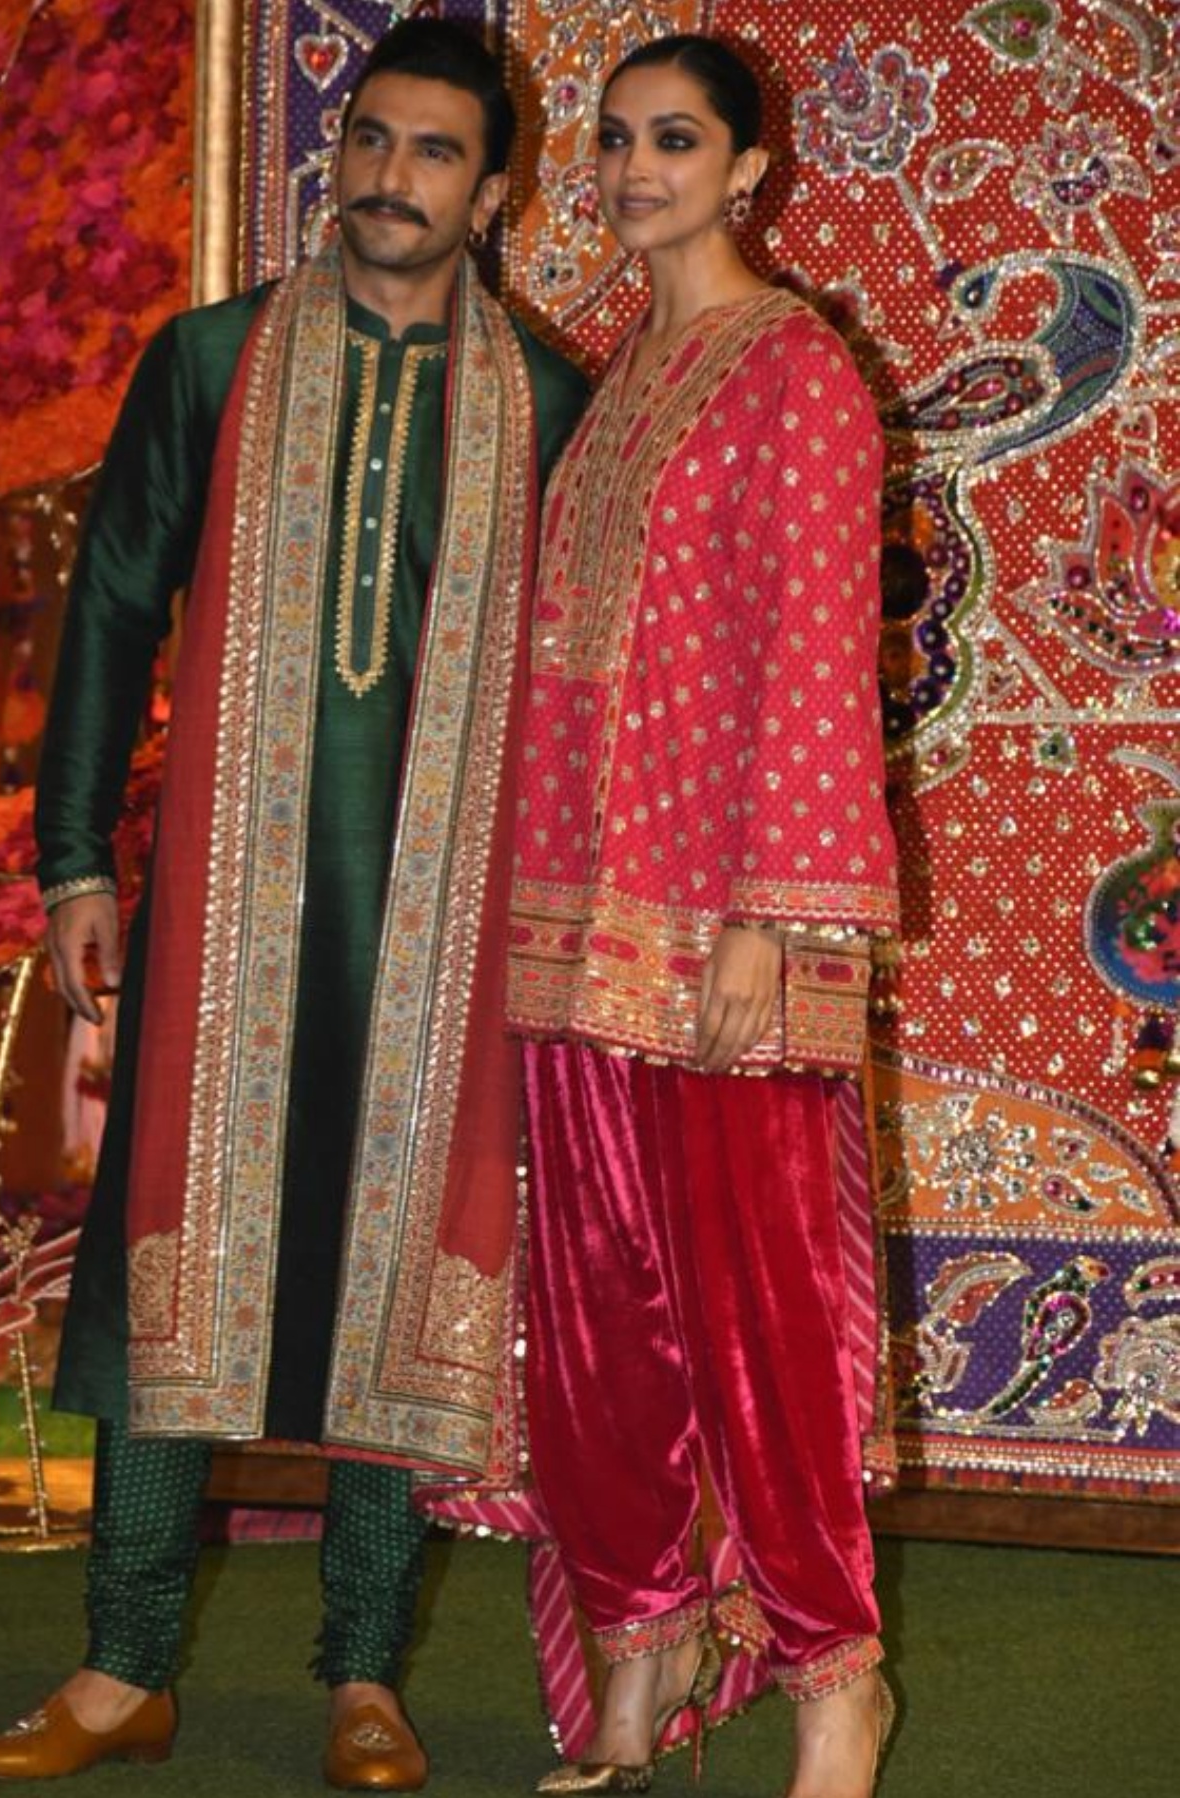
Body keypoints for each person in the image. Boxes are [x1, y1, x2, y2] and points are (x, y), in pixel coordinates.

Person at [0, 19, 587, 1789]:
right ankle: (121, 1665)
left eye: (435, 152)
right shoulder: (212, 359)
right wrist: (76, 854)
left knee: (402, 1276)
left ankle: (364, 1677)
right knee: (176, 1272)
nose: (391, 175)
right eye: (370, 141)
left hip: (439, 932)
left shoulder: (545, 400)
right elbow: (110, 617)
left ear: (495, 186)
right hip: (221, 924)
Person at [507, 36, 900, 1798]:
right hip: (574, 933)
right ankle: (638, 1643)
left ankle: (836, 1682)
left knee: (760, 1327)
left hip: (725, 926)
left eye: (676, 140)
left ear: (749, 168)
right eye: (615, 139)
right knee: (596, 1327)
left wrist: (768, 914)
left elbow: (817, 655)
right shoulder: (614, 383)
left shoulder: (796, 369)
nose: (634, 166)